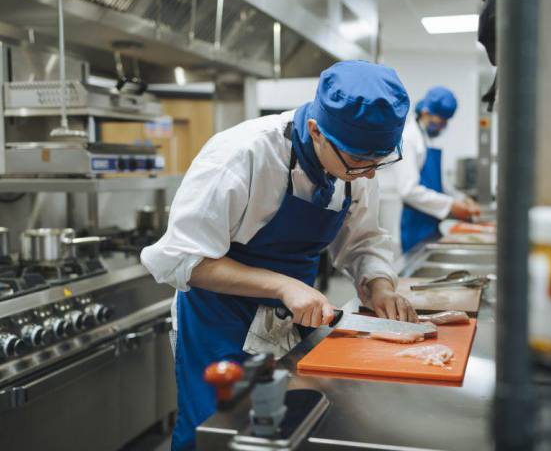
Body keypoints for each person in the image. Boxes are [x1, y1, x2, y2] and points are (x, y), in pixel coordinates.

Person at [141, 60, 419, 451]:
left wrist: (379, 284)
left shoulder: (356, 166)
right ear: (315, 131)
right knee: (218, 432)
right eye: (359, 163)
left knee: (284, 431)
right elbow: (178, 259)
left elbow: (363, 242)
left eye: (380, 161)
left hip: (293, 320)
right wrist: (282, 285)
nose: (370, 175)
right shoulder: (241, 155)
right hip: (220, 321)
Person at [378, 86, 480, 254]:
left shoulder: (425, 139)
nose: (441, 128)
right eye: (440, 122)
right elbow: (408, 190)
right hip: (414, 225)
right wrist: (451, 205)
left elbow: (441, 183)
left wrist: (461, 198)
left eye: (445, 123)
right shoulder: (409, 138)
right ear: (425, 112)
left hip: (430, 222)